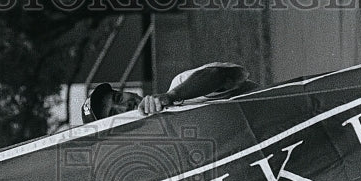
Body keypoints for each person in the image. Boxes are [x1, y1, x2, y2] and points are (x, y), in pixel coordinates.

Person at [80, 62, 258, 123]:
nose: (123, 105)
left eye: (118, 97)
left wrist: (172, 97)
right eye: (113, 112)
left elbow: (222, 75)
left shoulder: (180, 86)